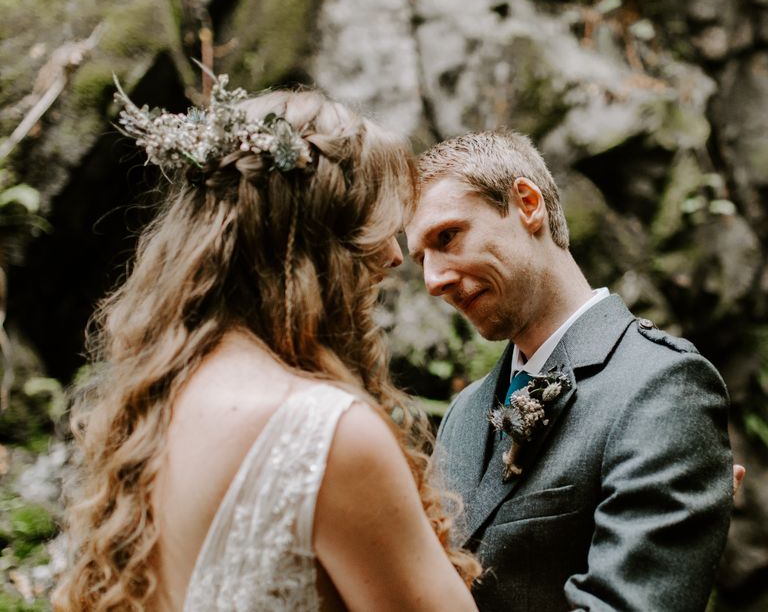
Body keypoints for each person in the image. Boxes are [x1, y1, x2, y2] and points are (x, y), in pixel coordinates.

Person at [52, 77, 481, 611]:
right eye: (376, 222)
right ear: (316, 238)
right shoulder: (324, 434)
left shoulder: (152, 412)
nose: (396, 258)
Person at [405, 129, 734, 611]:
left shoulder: (663, 385)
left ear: (527, 203)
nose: (433, 280)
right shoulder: (464, 412)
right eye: (421, 259)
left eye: (447, 236)